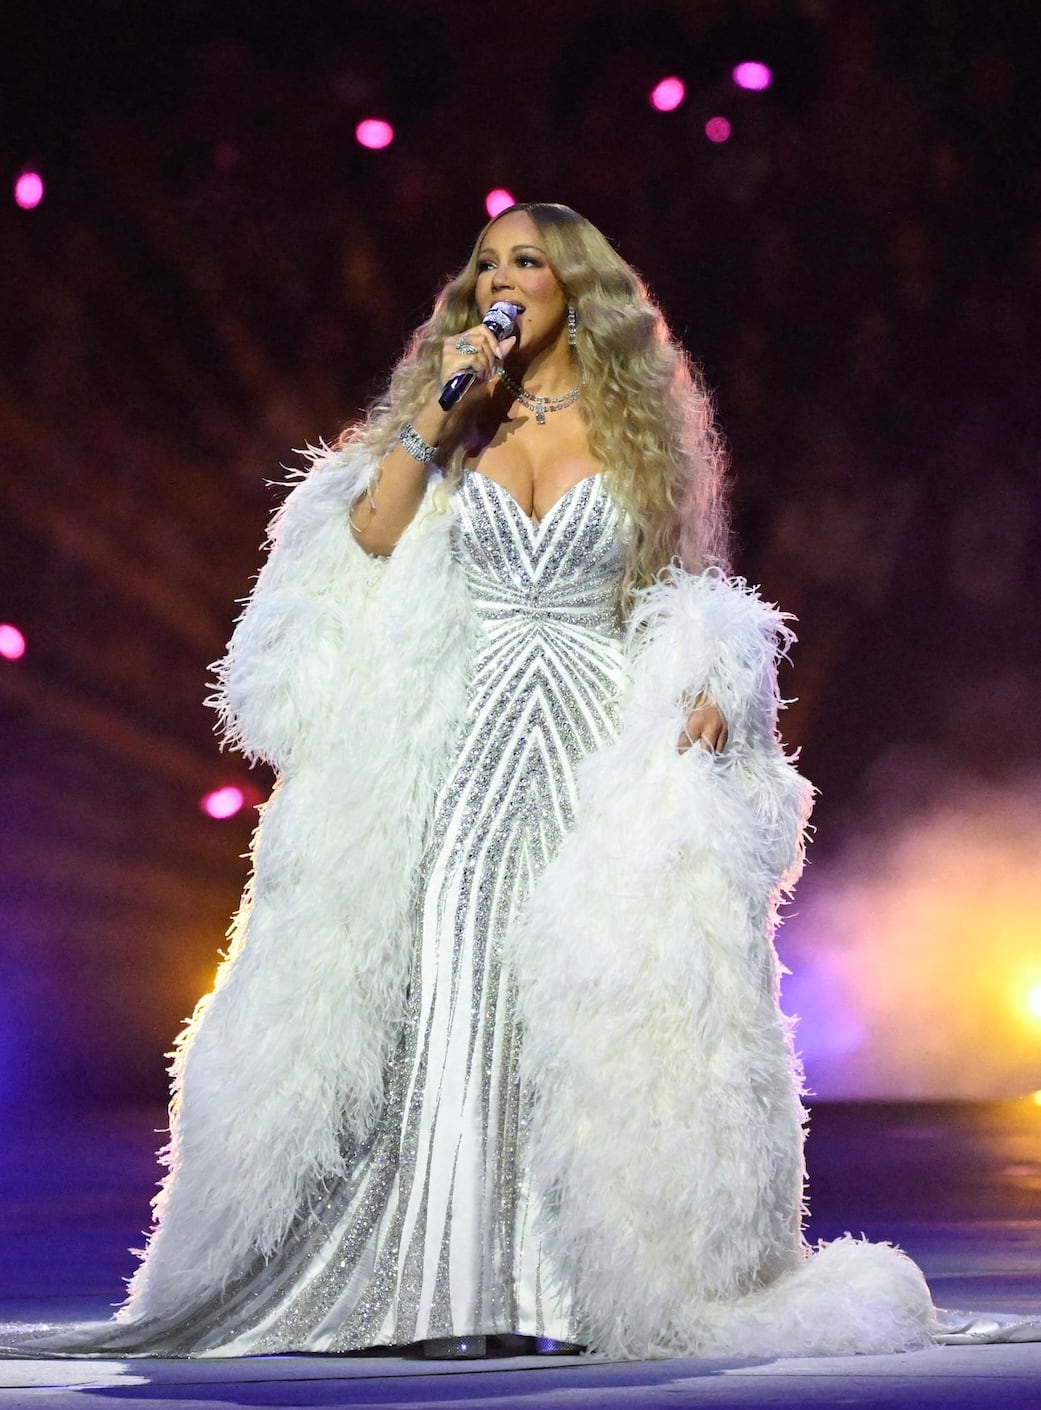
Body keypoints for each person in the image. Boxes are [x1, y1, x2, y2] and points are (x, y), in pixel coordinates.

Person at [4, 203, 946, 1361]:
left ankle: (564, 1286)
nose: (501, 278)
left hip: (599, 741)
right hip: (469, 731)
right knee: (453, 957)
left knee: (579, 987)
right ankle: (437, 1280)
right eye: (486, 263)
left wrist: (713, 680)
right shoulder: (450, 414)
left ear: (577, 289)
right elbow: (366, 535)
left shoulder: (640, 431)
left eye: (527, 262)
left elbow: (682, 595)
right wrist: (437, 415)